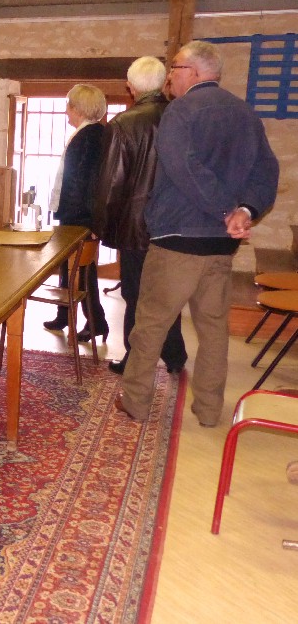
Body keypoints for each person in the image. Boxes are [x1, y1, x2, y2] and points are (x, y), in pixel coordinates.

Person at [115, 40, 279, 426]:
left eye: (174, 68)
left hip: (178, 239)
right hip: (220, 245)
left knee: (151, 324)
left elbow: (184, 170)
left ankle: (136, 400)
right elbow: (266, 172)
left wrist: (226, 210)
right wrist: (243, 211)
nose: (170, 76)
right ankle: (208, 411)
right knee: (214, 330)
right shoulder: (246, 114)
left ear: (196, 72)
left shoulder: (181, 112)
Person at [93, 56, 187, 376]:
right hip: (176, 224)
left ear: (130, 87)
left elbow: (111, 183)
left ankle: (135, 359)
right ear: (164, 84)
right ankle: (175, 356)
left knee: (135, 294)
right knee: (167, 291)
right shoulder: (182, 117)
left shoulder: (124, 123)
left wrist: (100, 227)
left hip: (137, 224)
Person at [43, 83, 109, 342]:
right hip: (74, 215)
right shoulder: (89, 134)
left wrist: (90, 221)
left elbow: (90, 183)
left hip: (80, 217)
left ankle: (96, 322)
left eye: (68, 106)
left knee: (83, 272)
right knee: (68, 269)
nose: (66, 112)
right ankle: (64, 315)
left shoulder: (90, 137)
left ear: (79, 108)